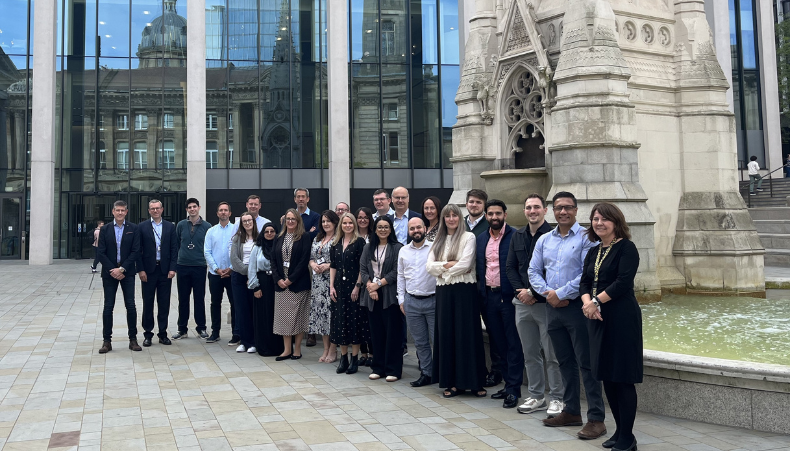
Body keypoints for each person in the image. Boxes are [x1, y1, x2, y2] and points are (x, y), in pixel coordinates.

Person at [528, 192, 605, 440]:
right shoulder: (544, 240)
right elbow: (533, 270)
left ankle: (596, 418)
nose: (563, 212)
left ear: (576, 210)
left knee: (586, 363)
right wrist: (548, 294)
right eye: (559, 208)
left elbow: (586, 274)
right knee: (564, 362)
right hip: (552, 309)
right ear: (552, 210)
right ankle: (571, 411)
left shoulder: (587, 238)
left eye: (568, 208)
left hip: (577, 308)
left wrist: (560, 293)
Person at [580, 203, 642, 451]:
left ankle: (628, 437)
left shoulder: (627, 248)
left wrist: (595, 302)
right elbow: (584, 281)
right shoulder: (593, 251)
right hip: (596, 318)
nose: (599, 223)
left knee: (623, 378)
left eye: (605, 219)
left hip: (621, 319)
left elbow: (623, 283)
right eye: (595, 219)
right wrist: (588, 304)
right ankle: (619, 431)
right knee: (607, 376)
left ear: (616, 222)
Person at [505, 194, 564, 417]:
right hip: (522, 304)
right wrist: (522, 292)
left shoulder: (552, 236)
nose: (532, 211)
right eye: (528, 207)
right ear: (524, 211)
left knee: (552, 354)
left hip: (545, 304)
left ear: (545, 210)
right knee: (530, 353)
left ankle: (557, 398)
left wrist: (533, 291)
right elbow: (510, 267)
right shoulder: (517, 235)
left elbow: (553, 270)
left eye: (536, 207)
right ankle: (536, 396)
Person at [427, 204, 487, 398]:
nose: (451, 219)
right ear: (443, 219)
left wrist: (444, 271)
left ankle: (474, 382)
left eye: (454, 215)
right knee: (447, 335)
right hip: (444, 293)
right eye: (447, 216)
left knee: (467, 335)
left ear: (460, 218)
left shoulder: (468, 237)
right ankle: (452, 382)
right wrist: (448, 266)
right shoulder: (438, 239)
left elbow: (467, 264)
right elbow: (429, 267)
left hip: (464, 292)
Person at [475, 199, 522, 409]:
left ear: (505, 214)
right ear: (486, 216)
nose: (495, 217)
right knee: (497, 342)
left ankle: (513, 389)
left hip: (508, 298)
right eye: (491, 214)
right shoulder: (481, 238)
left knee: (513, 344)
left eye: (498, 213)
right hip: (488, 298)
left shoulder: (515, 236)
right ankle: (505, 384)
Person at [360, 215, 403, 382]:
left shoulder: (397, 247)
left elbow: (396, 271)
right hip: (372, 296)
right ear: (375, 229)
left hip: (390, 295)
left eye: (386, 227)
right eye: (380, 227)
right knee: (376, 334)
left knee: (393, 333)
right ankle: (378, 367)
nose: (383, 230)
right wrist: (370, 287)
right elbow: (363, 269)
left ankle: (393, 369)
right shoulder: (368, 247)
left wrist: (378, 285)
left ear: (390, 229)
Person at [97, 200, 141, 354]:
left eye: (123, 210)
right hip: (109, 274)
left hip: (127, 272)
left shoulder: (133, 228)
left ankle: (133, 339)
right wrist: (113, 270)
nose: (120, 213)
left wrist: (122, 269)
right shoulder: (105, 229)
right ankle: (107, 341)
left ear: (126, 212)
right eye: (118, 210)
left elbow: (135, 251)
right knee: (108, 306)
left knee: (131, 305)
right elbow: (100, 252)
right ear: (113, 211)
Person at [465, 188, 499, 387]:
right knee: (469, 330)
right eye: (471, 201)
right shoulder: (460, 224)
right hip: (464, 285)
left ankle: (496, 370)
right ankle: (477, 369)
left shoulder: (490, 225)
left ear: (484, 206)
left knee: (492, 329)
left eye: (478, 202)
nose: (474, 205)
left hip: (484, 284)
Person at [397, 217, 437, 387]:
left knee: (438, 340)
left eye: (418, 227)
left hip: (433, 300)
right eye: (412, 228)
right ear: (408, 231)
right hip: (412, 302)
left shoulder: (435, 248)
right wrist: (401, 299)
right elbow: (400, 276)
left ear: (425, 228)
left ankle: (441, 373)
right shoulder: (403, 251)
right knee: (420, 343)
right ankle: (426, 373)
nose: (416, 231)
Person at [329, 213, 368, 374]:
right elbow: (333, 265)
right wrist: (331, 286)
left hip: (354, 288)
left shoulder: (360, 242)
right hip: (339, 287)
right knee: (340, 323)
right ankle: (343, 358)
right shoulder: (336, 243)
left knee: (354, 323)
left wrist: (357, 286)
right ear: (341, 225)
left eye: (350, 223)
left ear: (354, 224)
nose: (347, 225)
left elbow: (362, 266)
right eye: (344, 223)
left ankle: (354, 359)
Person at [271, 209, 312, 360]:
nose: (290, 222)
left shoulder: (304, 237)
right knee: (284, 318)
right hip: (281, 285)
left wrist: (291, 279)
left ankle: (297, 350)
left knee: (298, 317)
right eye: (288, 219)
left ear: (298, 221)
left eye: (293, 219)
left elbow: (304, 261)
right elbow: (273, 261)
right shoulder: (278, 237)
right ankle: (287, 349)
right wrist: (279, 279)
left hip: (297, 284)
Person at [137, 199, 178, 347]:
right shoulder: (142, 227)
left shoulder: (169, 227)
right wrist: (140, 269)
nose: (155, 211)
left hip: (165, 271)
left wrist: (173, 268)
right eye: (152, 208)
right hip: (148, 271)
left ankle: (162, 333)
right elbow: (138, 251)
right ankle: (148, 334)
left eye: (157, 208)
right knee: (148, 303)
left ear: (162, 209)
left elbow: (174, 249)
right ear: (149, 211)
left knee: (164, 303)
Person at [173, 198, 212, 340]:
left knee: (199, 299)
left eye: (194, 206)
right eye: (189, 207)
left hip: (199, 266)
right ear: (187, 210)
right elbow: (176, 244)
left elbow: (209, 246)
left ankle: (201, 328)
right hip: (182, 266)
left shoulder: (207, 226)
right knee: (183, 299)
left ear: (199, 207)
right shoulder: (181, 225)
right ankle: (182, 329)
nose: (192, 209)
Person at [248, 223, 285, 357]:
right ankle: (263, 347)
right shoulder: (257, 248)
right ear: (263, 234)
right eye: (266, 231)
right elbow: (251, 268)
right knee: (263, 315)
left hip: (276, 283)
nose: (269, 233)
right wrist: (255, 287)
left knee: (276, 315)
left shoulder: (280, 247)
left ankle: (278, 347)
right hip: (262, 284)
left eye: (272, 231)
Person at [204, 202, 238, 345]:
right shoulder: (211, 231)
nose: (223, 213)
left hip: (232, 273)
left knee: (234, 303)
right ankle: (215, 332)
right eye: (220, 211)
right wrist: (217, 269)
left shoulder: (236, 230)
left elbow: (239, 251)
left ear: (230, 213)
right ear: (217, 213)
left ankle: (236, 333)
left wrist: (230, 268)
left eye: (226, 210)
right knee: (215, 303)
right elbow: (207, 251)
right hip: (215, 273)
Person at [309, 210, 339, 363]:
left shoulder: (338, 239)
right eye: (323, 221)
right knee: (321, 316)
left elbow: (339, 260)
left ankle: (333, 349)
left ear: (335, 222)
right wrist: (314, 265)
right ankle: (326, 348)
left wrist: (327, 266)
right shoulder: (317, 238)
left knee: (332, 316)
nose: (326, 224)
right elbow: (311, 258)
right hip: (318, 283)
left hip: (332, 282)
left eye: (329, 221)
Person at [230, 211, 259, 353]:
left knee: (253, 310)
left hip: (255, 278)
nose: (247, 223)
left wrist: (252, 273)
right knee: (241, 310)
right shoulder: (237, 238)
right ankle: (243, 341)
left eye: (249, 220)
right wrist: (248, 271)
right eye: (244, 221)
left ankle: (253, 342)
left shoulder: (259, 239)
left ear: (253, 222)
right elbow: (234, 258)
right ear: (241, 223)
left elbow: (263, 257)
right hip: (239, 277)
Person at [354, 206, 375, 365]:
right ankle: (364, 353)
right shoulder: (352, 236)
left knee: (370, 319)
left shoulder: (374, 236)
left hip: (371, 281)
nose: (362, 220)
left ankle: (373, 353)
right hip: (355, 282)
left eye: (365, 217)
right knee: (359, 319)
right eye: (360, 217)